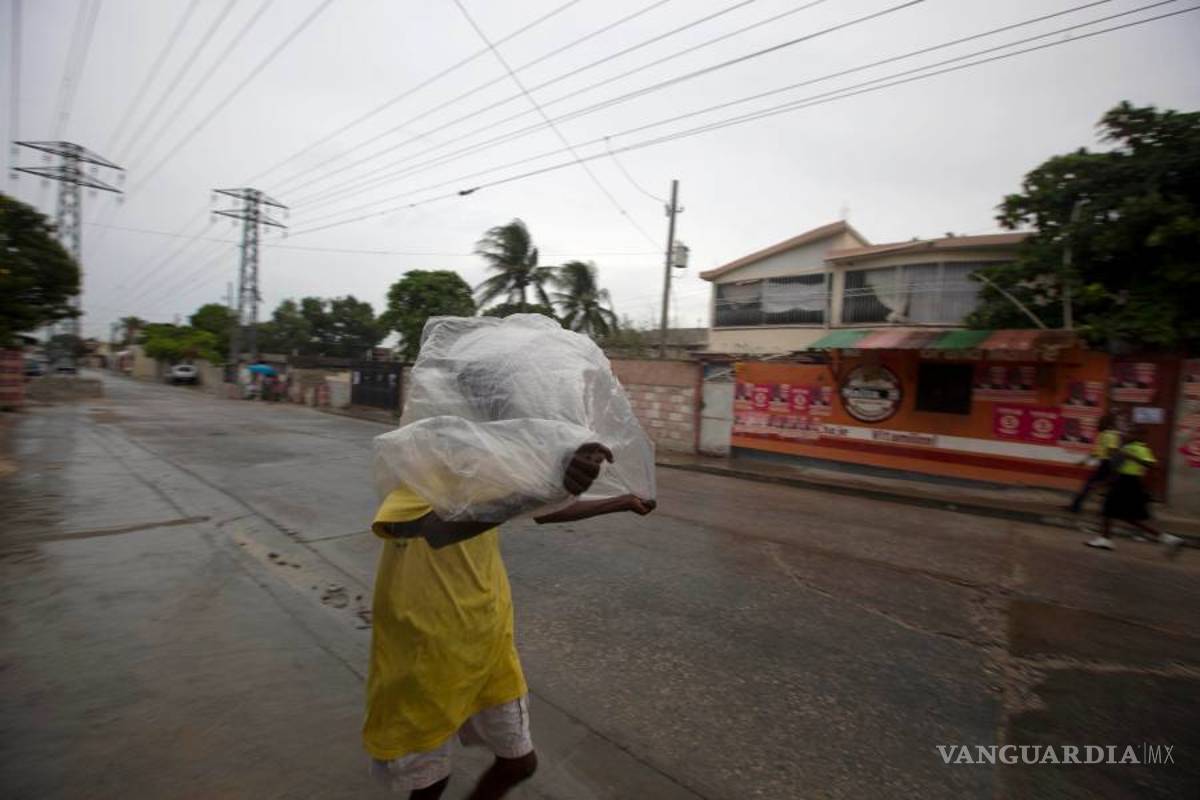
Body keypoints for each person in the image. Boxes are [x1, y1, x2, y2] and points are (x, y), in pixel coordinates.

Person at [1085, 425, 1183, 556]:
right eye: (1129, 432)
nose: (1128, 435)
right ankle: (1167, 538)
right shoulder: (1125, 448)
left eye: (1132, 433)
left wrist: (1132, 457)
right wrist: (1105, 481)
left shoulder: (1140, 449)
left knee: (1113, 512)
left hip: (1130, 484)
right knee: (1115, 513)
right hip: (1123, 482)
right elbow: (1116, 467)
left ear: (1140, 436)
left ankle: (1167, 538)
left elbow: (1151, 465)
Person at [1067, 414, 1120, 514]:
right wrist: (1085, 461)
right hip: (1105, 463)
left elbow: (1112, 450)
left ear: (1107, 423)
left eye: (1100, 422)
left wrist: (1111, 466)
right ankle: (1077, 506)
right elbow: (1097, 452)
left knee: (1090, 485)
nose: (1098, 425)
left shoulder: (1110, 435)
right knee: (1098, 486)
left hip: (1107, 464)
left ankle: (1076, 506)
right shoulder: (1103, 435)